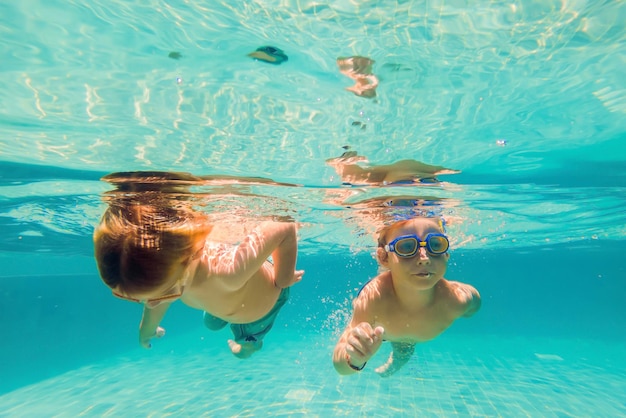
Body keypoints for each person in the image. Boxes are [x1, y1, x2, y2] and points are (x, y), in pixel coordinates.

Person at [93, 171, 304, 359]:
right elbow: (156, 302)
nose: (151, 303)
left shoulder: (230, 272)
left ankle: (250, 347)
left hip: (261, 308)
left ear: (189, 257)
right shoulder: (170, 276)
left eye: (158, 296)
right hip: (226, 303)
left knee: (245, 338)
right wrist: (146, 329)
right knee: (211, 324)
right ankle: (223, 320)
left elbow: (284, 225)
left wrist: (283, 278)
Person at [332, 216, 480, 376]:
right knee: (403, 344)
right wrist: (354, 359)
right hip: (384, 326)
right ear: (384, 258)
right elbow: (339, 364)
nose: (424, 258)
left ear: (446, 254)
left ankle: (395, 364)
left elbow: (475, 303)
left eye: (436, 245)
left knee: (404, 347)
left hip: (399, 331)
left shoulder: (457, 300)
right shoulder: (374, 300)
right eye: (407, 247)